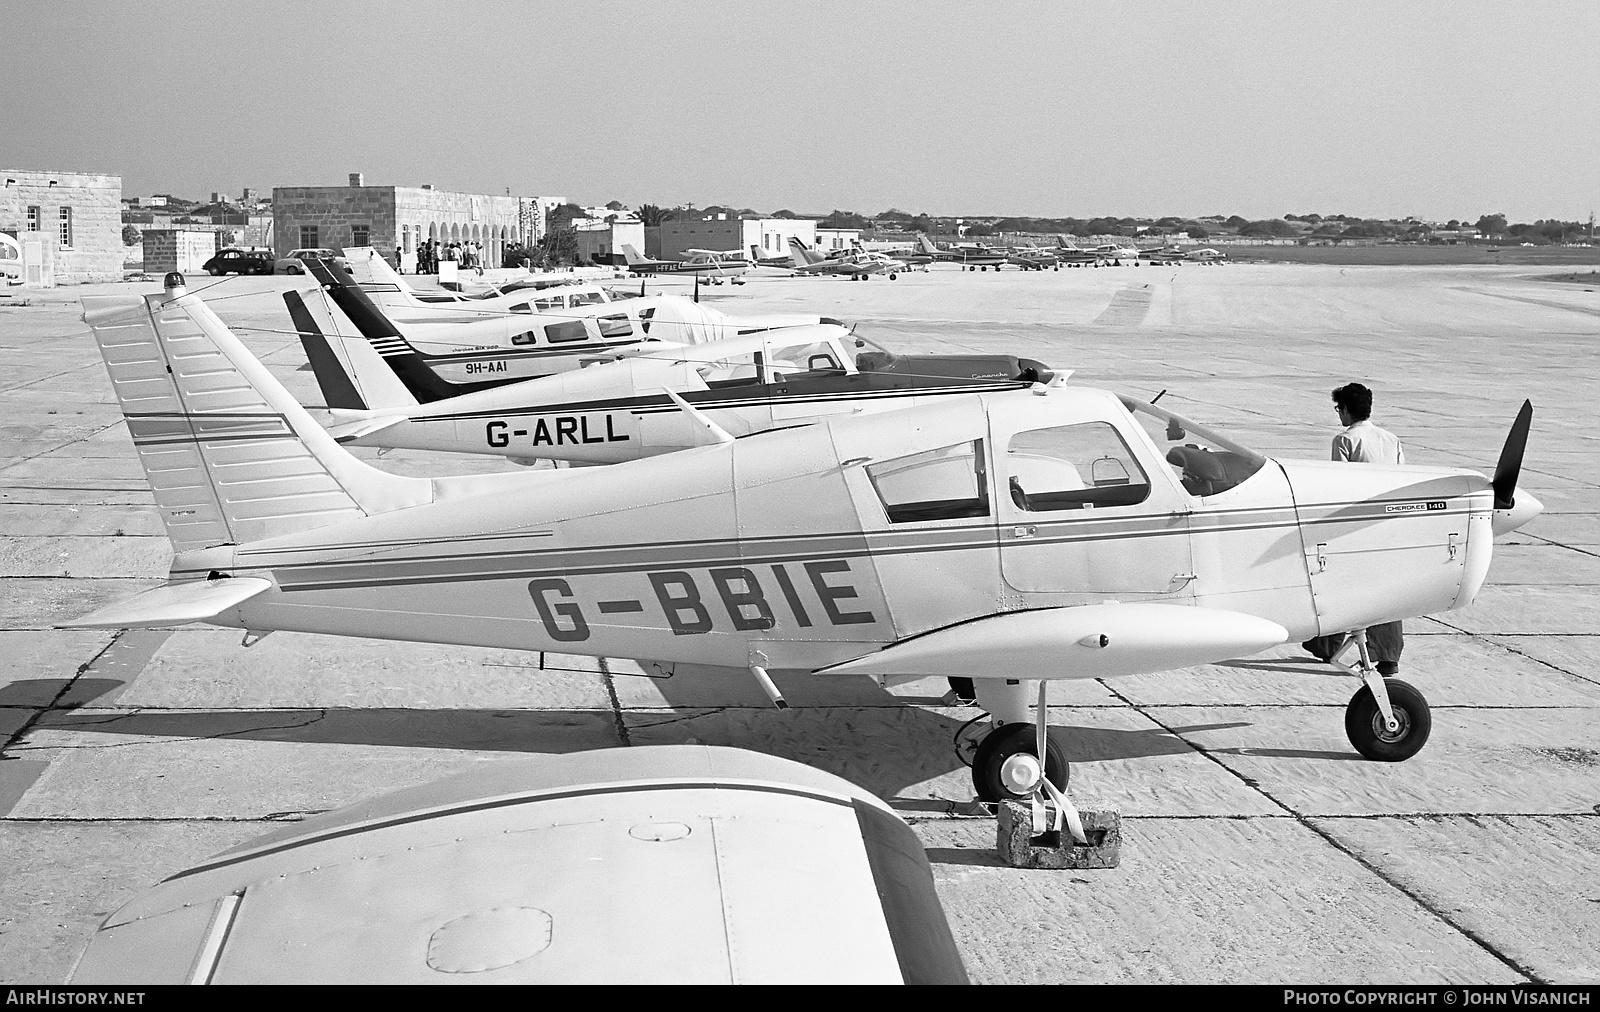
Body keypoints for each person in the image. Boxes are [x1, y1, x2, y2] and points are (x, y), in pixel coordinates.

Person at [1304, 382, 1406, 674]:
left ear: (1347, 410)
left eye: (1339, 409)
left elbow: (1341, 486)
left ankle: (1329, 644)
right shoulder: (1391, 440)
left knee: (1344, 586)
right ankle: (1388, 656)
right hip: (1388, 523)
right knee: (1387, 592)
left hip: (1358, 526)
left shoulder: (1345, 440)